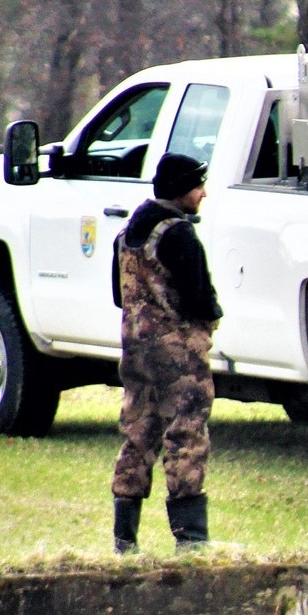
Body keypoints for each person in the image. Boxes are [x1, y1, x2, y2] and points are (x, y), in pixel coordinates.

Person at [111, 153, 222, 554]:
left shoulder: (127, 234)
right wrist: (210, 318)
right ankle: (191, 540)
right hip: (178, 351)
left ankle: (124, 540)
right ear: (180, 190)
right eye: (198, 186)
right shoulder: (179, 235)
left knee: (139, 431)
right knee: (186, 432)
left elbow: (117, 294)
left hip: (136, 348)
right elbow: (199, 298)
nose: (203, 193)